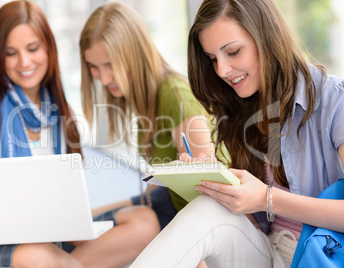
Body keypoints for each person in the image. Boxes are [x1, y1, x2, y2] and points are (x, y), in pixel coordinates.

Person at [0, 1, 159, 267]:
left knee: (143, 221)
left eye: (33, 49)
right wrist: (17, 221)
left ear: (48, 48)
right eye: (11, 53)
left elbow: (62, 196)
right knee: (37, 254)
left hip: (46, 235)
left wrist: (69, 222)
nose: (24, 62)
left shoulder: (58, 110)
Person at [130, 0, 344, 267]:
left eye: (232, 51)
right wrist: (215, 185)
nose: (221, 71)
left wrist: (267, 198)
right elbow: (255, 221)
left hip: (320, 256)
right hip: (268, 250)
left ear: (269, 33)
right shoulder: (242, 108)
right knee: (209, 209)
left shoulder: (335, 100)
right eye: (212, 59)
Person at [79, 1, 217, 234]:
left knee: (120, 227)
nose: (103, 78)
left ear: (135, 55)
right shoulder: (143, 96)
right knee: (85, 224)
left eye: (110, 65)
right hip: (169, 202)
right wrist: (88, 215)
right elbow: (164, 188)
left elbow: (209, 193)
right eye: (94, 67)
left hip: (194, 217)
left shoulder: (175, 96)